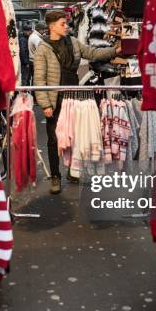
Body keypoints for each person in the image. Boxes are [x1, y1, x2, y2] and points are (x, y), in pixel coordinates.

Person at [33, 10, 121, 194]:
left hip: (74, 93)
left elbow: (92, 53)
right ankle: (55, 176)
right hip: (55, 97)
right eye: (62, 24)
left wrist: (115, 51)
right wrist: (45, 105)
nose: (66, 26)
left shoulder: (72, 42)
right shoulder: (43, 48)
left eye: (66, 23)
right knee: (54, 138)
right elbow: (39, 79)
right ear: (51, 26)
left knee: (73, 133)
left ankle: (73, 171)